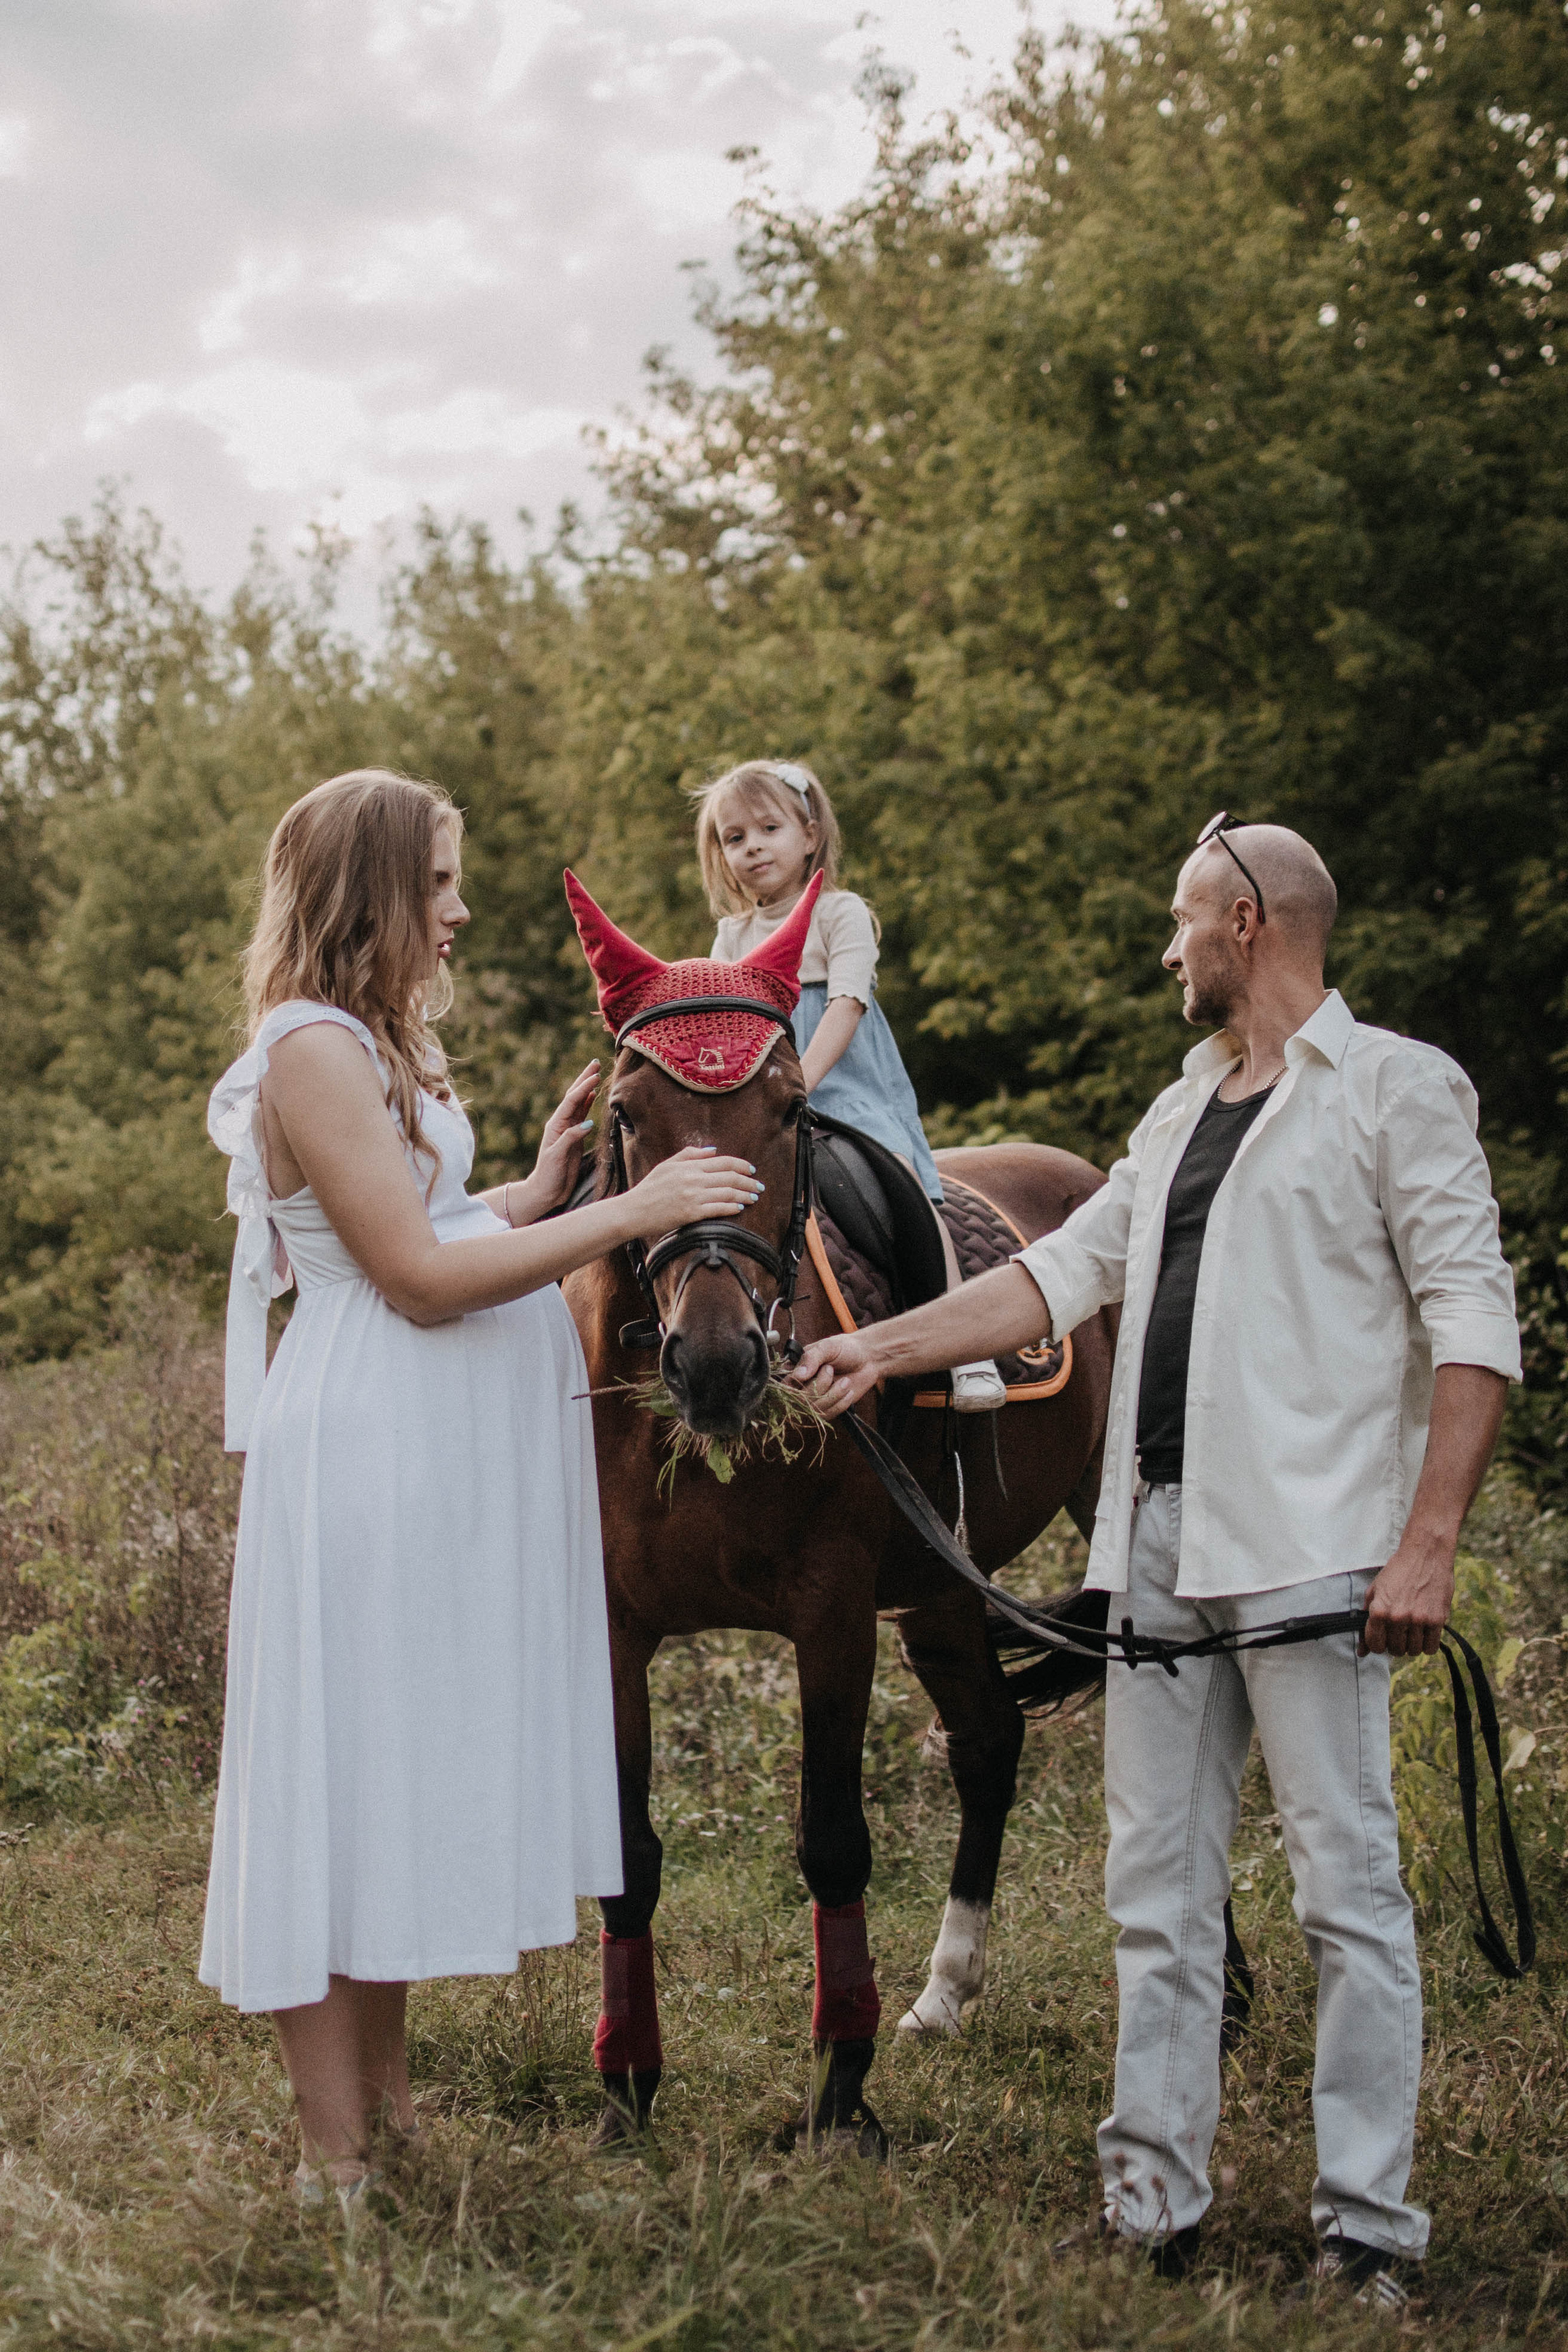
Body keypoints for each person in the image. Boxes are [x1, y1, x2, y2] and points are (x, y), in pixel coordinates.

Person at [788, 817, 1520, 2304]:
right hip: (1159, 1545)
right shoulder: (1177, 1108)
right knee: (1154, 1887)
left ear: (1246, 921)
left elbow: (1472, 1324)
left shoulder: (1392, 1090)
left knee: (1345, 1893)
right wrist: (871, 1346)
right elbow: (1053, 1277)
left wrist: (1425, 1544)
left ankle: (1366, 2227)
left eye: (1181, 923)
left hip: (1320, 1555)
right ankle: (1149, 2202)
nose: (1165, 950)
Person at [202, 768, 763, 2200]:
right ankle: (335, 2161)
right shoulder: (309, 1047)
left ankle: (385, 2120)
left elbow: (437, 1222)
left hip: (419, 1446)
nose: (456, 912)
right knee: (337, 1783)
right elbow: (415, 1278)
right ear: (375, 888)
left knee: (385, 1773)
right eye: (439, 882)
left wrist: (544, 1184)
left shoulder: (374, 1040)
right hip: (368, 1444)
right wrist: (629, 1210)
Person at [694, 757, 1005, 1411]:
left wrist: (796, 1080)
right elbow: (725, 1026)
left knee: (903, 1185)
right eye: (734, 837)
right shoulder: (731, 935)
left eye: (768, 828)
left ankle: (967, 1344)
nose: (752, 846)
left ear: (809, 835)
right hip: (763, 1099)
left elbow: (846, 1003)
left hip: (843, 1088)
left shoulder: (840, 913)